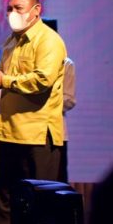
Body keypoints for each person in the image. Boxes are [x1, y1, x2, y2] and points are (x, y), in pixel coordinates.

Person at [0, 0, 67, 224]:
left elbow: (42, 80)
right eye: (9, 9)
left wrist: (4, 80)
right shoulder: (10, 42)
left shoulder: (48, 40)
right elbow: (2, 79)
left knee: (42, 199)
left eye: (18, 8)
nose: (12, 14)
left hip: (37, 134)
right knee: (5, 195)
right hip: (9, 131)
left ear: (36, 10)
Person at [42, 18, 76, 182]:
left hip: (55, 132)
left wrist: (42, 102)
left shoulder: (66, 63)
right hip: (29, 131)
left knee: (55, 181)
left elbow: (69, 100)